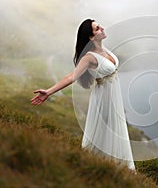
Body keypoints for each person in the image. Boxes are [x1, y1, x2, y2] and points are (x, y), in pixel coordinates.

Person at [31, 19, 135, 170]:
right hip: (103, 100)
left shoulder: (105, 50)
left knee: (116, 131)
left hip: (113, 98)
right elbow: (72, 77)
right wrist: (48, 92)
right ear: (91, 37)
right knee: (105, 133)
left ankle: (115, 168)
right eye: (97, 28)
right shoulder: (89, 57)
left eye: (99, 26)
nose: (102, 28)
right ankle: (95, 167)